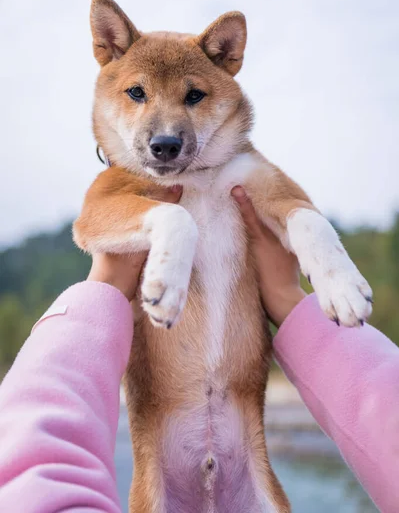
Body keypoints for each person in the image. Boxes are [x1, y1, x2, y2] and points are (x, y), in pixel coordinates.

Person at [0, 186, 398, 513]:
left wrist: (102, 290)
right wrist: (290, 298)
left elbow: (29, 467)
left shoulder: (243, 166)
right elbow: (89, 225)